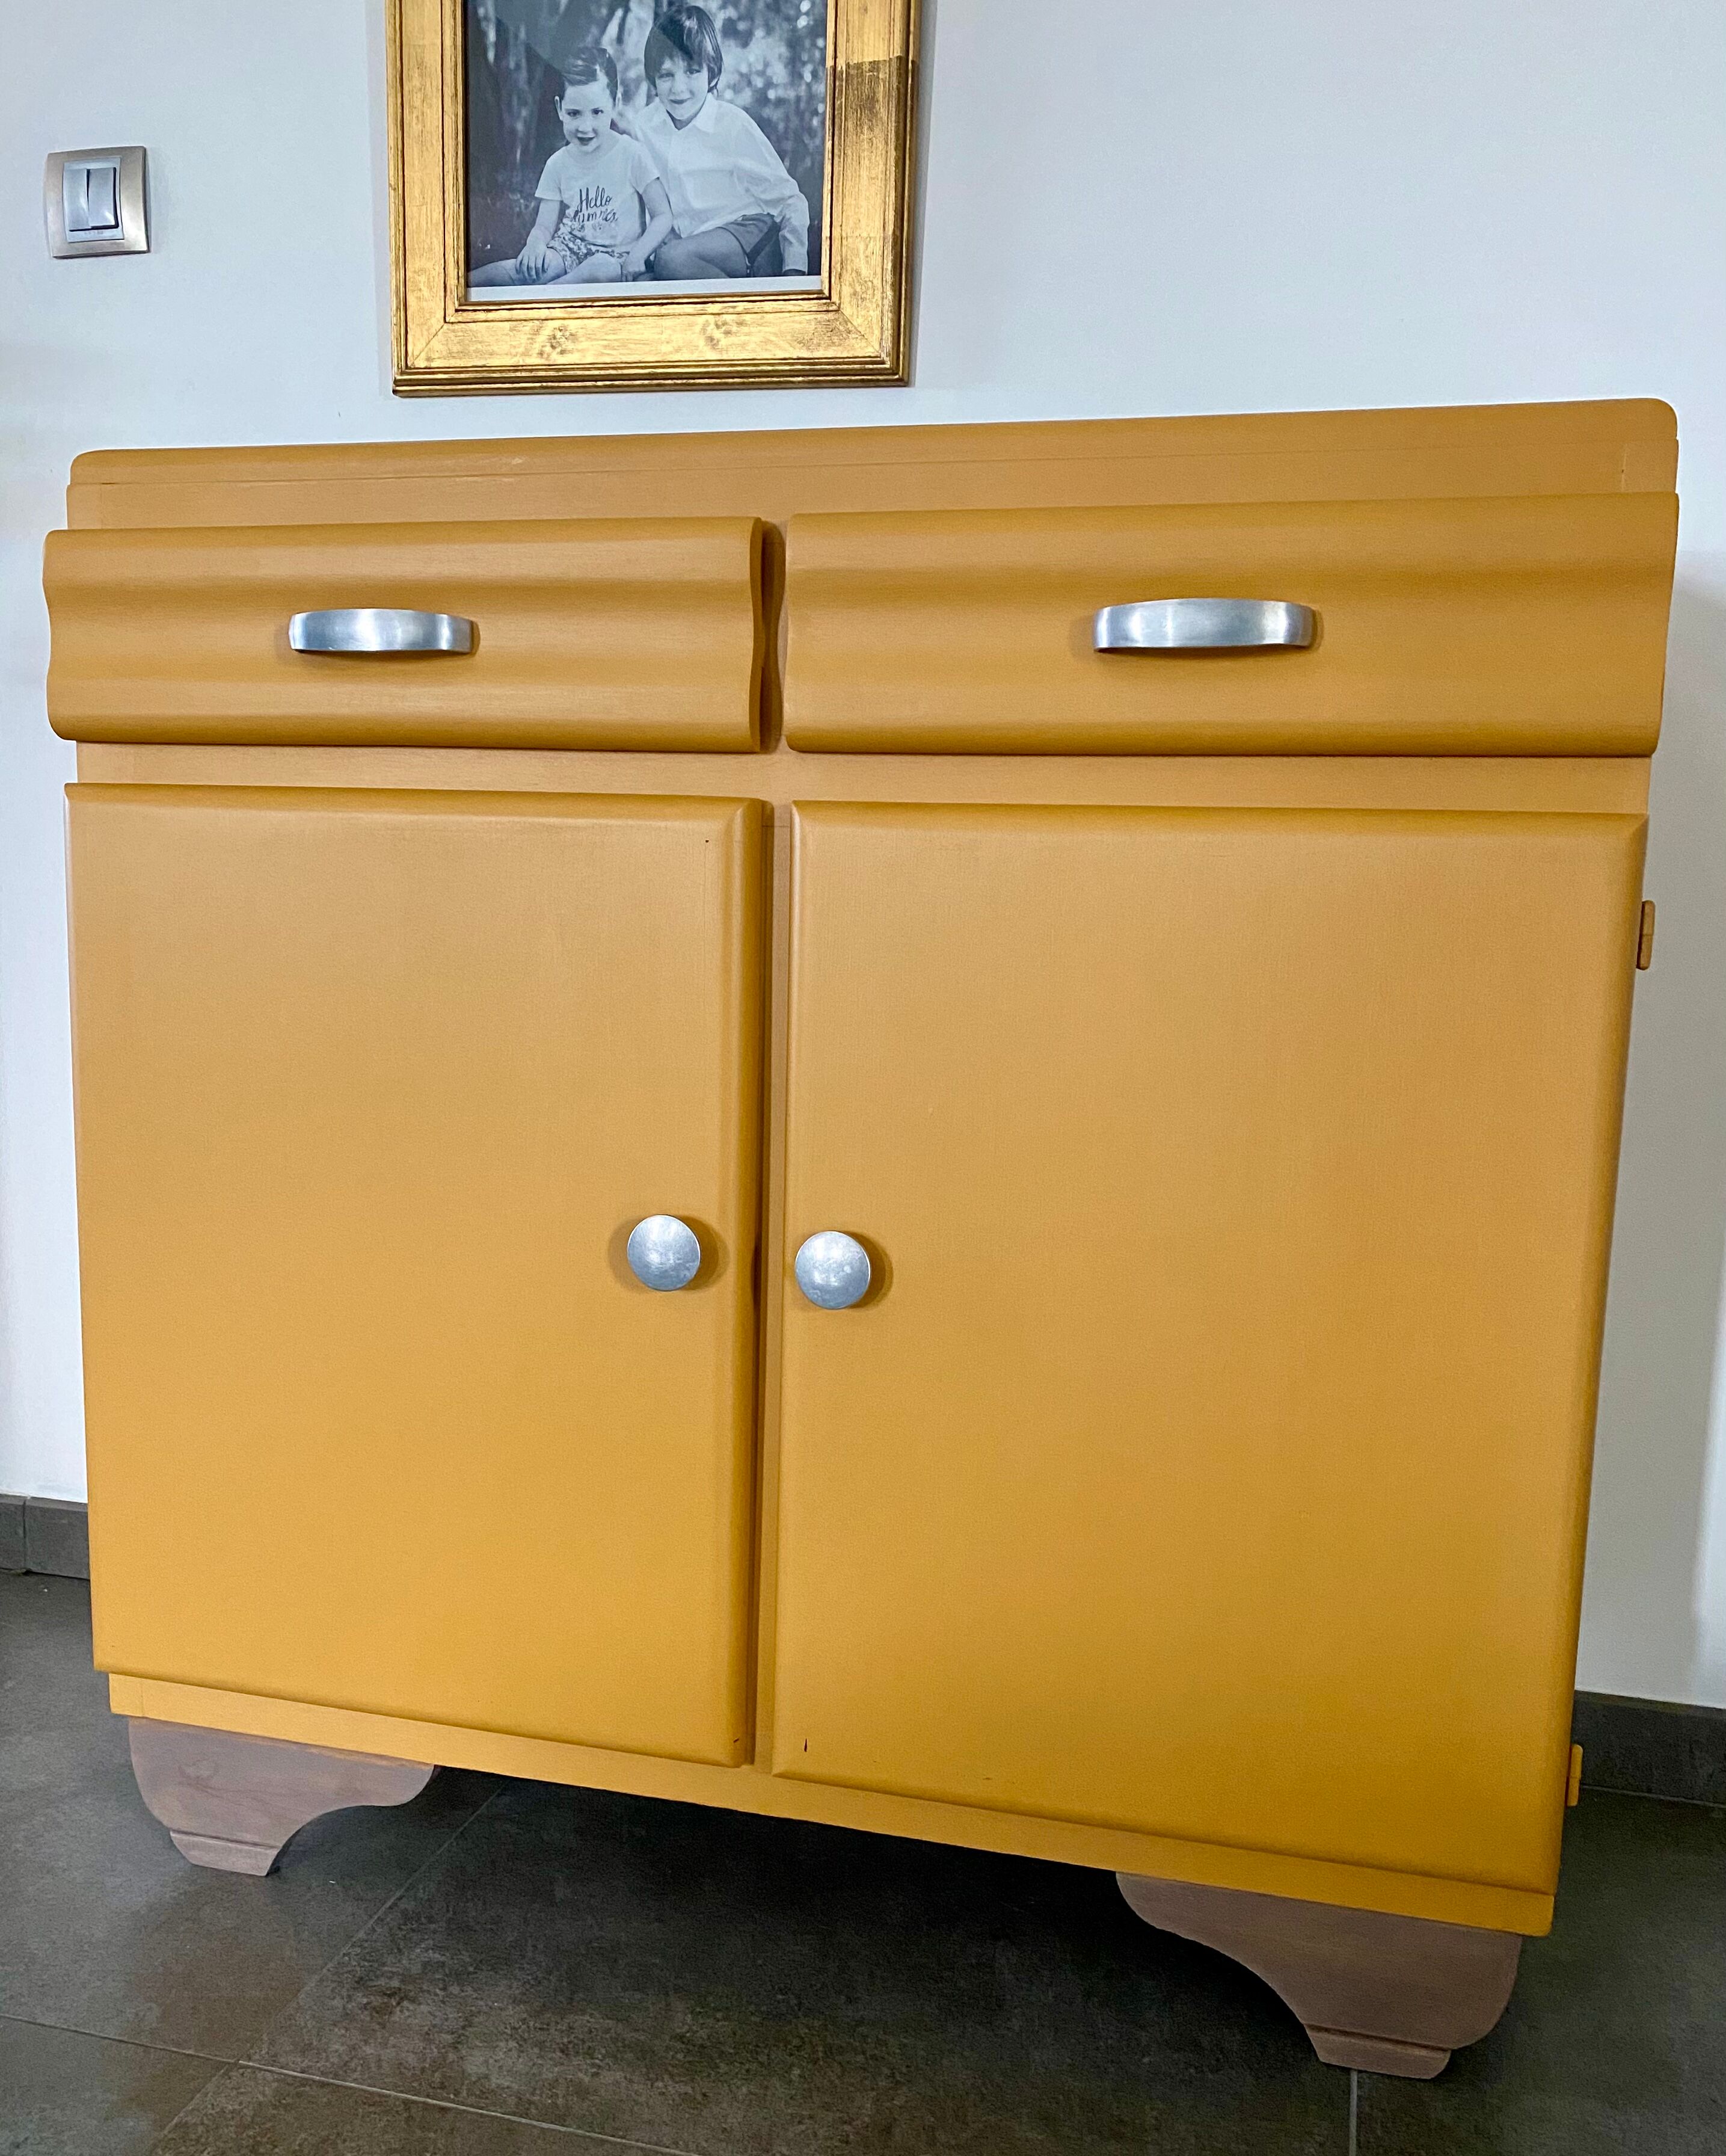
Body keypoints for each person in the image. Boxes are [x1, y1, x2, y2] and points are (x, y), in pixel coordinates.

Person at [634, 3, 811, 280]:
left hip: (751, 238)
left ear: (712, 72)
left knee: (672, 260)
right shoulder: (645, 127)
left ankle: (758, 313)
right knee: (646, 280)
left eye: (692, 71)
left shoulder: (732, 125)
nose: (678, 88)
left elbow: (790, 200)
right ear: (653, 78)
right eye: (667, 75)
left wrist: (794, 272)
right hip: (695, 251)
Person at [471, 49, 672, 287]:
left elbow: (663, 216)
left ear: (615, 104)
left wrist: (639, 255)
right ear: (559, 109)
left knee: (600, 269)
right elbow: (545, 226)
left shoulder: (632, 154)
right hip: (567, 249)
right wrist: (535, 243)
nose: (585, 127)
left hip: (617, 257)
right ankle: (458, 289)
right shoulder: (558, 164)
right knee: (515, 271)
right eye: (574, 114)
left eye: (597, 112)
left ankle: (546, 296)